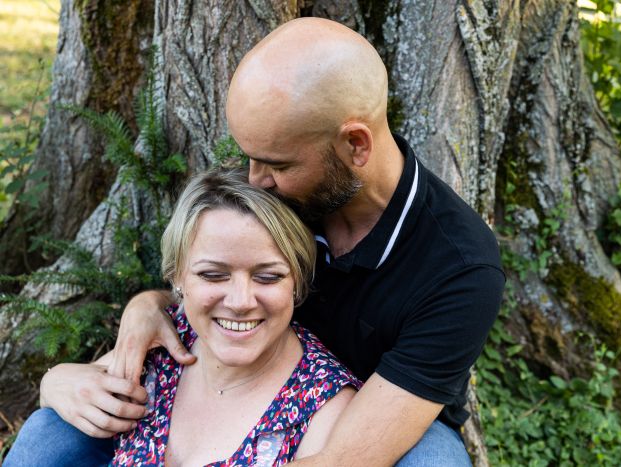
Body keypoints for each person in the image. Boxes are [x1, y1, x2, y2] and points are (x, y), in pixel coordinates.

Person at [10, 16, 505, 466]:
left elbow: (343, 459)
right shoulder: (280, 183)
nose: (256, 179)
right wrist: (144, 307)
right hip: (227, 381)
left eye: (277, 164)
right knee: (53, 430)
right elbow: (207, 276)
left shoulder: (459, 267)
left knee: (435, 460)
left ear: (355, 145)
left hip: (364, 417)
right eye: (251, 157)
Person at [6, 168, 359, 466]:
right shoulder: (162, 347)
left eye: (268, 276)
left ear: (297, 281)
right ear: (177, 277)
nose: (240, 301)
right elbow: (68, 411)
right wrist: (53, 382)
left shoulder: (323, 409)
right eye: (212, 275)